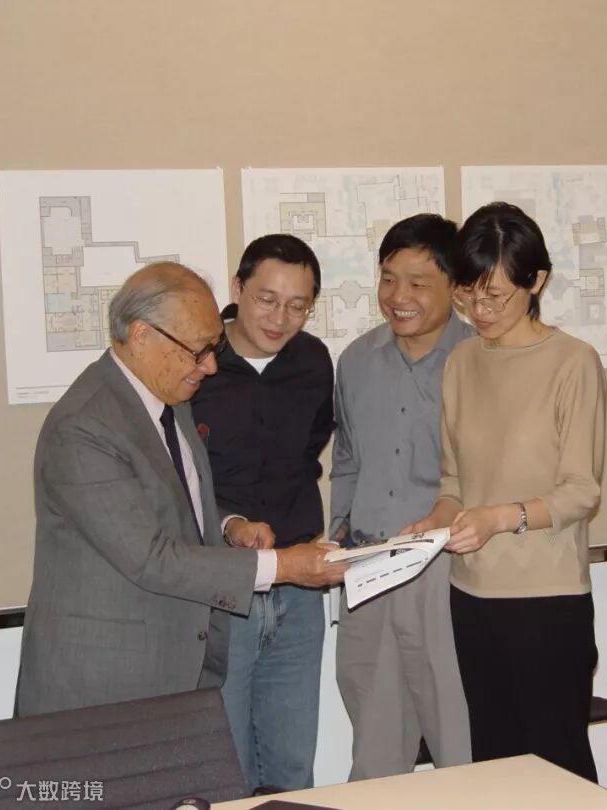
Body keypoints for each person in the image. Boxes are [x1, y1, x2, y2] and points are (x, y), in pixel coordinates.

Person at [16, 262, 348, 718]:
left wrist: (229, 526)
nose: (209, 366)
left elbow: (174, 504)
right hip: (103, 684)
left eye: (214, 348)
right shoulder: (84, 428)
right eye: (198, 351)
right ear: (141, 336)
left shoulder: (169, 401)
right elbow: (151, 558)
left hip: (175, 666)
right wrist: (286, 566)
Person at [406, 202, 607, 781]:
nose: (480, 311)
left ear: (536, 281)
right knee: (494, 762)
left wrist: (499, 518)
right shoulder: (462, 360)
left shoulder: (573, 362)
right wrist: (436, 521)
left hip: (547, 599)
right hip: (471, 594)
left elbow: (581, 491)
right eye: (468, 295)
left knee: (558, 765)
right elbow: (454, 481)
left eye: (494, 295)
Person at [331, 213, 473, 779]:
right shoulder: (356, 359)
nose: (398, 296)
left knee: (458, 739)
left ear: (454, 286)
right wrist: (339, 535)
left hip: (445, 572)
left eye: (418, 282)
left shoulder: (479, 359)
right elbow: (347, 459)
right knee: (374, 749)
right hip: (367, 568)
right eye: (388, 279)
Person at [190, 235, 334, 791]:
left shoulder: (313, 361)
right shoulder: (198, 365)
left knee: (292, 765)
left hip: (299, 591)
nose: (280, 318)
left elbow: (310, 449)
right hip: (221, 592)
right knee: (226, 767)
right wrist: (230, 523)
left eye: (298, 305)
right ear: (237, 289)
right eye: (266, 299)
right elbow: (177, 475)